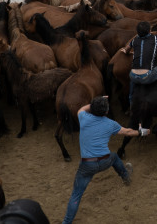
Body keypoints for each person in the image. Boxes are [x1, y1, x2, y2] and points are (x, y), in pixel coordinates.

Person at [62, 96, 148, 224]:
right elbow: (129, 132)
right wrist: (142, 132)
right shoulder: (111, 124)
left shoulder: (83, 117)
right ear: (106, 112)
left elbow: (81, 108)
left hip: (87, 165)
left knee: (76, 195)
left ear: (92, 109)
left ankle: (66, 222)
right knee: (114, 156)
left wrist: (97, 101)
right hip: (105, 161)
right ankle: (126, 177)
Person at [120, 21, 157, 105]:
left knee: (133, 82)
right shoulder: (154, 38)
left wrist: (125, 51)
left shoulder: (135, 39)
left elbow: (127, 49)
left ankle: (131, 102)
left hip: (133, 76)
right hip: (146, 77)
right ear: (149, 31)